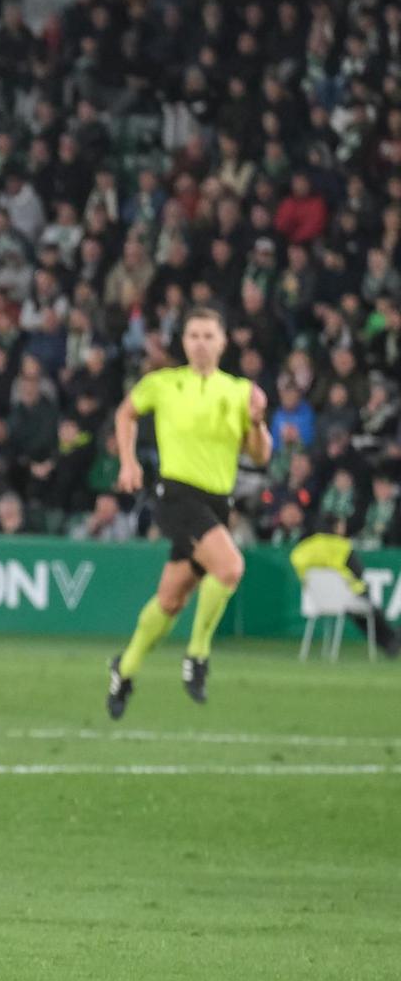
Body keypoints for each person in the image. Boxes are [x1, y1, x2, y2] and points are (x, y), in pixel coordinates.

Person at [106, 306, 271, 717]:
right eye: (193, 335)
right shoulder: (163, 383)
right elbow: (125, 412)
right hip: (177, 495)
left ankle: (124, 668)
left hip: (218, 501)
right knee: (230, 568)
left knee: (172, 598)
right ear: (184, 342)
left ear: (223, 342)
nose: (200, 342)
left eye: (208, 335)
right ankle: (197, 655)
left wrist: (258, 421)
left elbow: (260, 454)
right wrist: (128, 461)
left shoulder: (238, 391)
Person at [290, 516, 400, 657]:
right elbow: (359, 573)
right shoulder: (342, 546)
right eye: (341, 525)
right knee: (369, 610)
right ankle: (392, 640)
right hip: (347, 595)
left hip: (318, 598)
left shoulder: (303, 548)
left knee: (363, 613)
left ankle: (390, 642)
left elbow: (298, 565)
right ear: (335, 527)